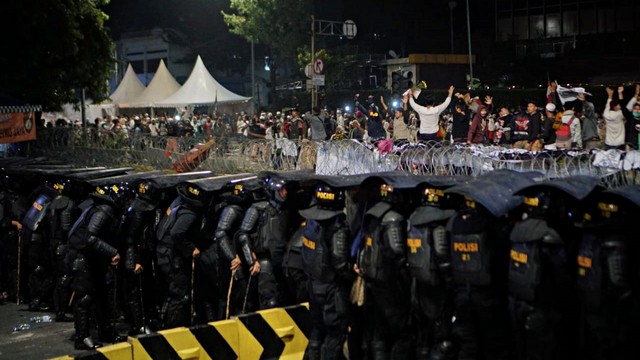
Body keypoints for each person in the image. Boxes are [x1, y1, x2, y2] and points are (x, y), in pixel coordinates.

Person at [66, 183, 127, 350]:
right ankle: (82, 337)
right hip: (84, 259)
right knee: (84, 299)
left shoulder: (98, 207)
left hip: (93, 259)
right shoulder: (104, 210)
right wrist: (112, 252)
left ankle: (105, 331)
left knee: (101, 296)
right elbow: (90, 237)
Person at [300, 184, 352, 360]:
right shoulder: (337, 227)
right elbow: (340, 262)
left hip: (313, 284)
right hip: (332, 289)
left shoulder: (312, 222)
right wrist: (354, 275)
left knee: (317, 332)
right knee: (334, 335)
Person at [407, 184, 457, 359]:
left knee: (423, 332)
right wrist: (451, 281)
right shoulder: (439, 225)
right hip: (436, 281)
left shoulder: (415, 219)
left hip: (418, 278)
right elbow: (442, 254)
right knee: (439, 333)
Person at [155, 183, 206, 328]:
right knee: (179, 294)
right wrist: (191, 249)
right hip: (172, 256)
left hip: (164, 253)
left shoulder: (177, 203)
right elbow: (177, 233)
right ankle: (173, 329)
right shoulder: (189, 212)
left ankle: (164, 324)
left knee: (172, 292)